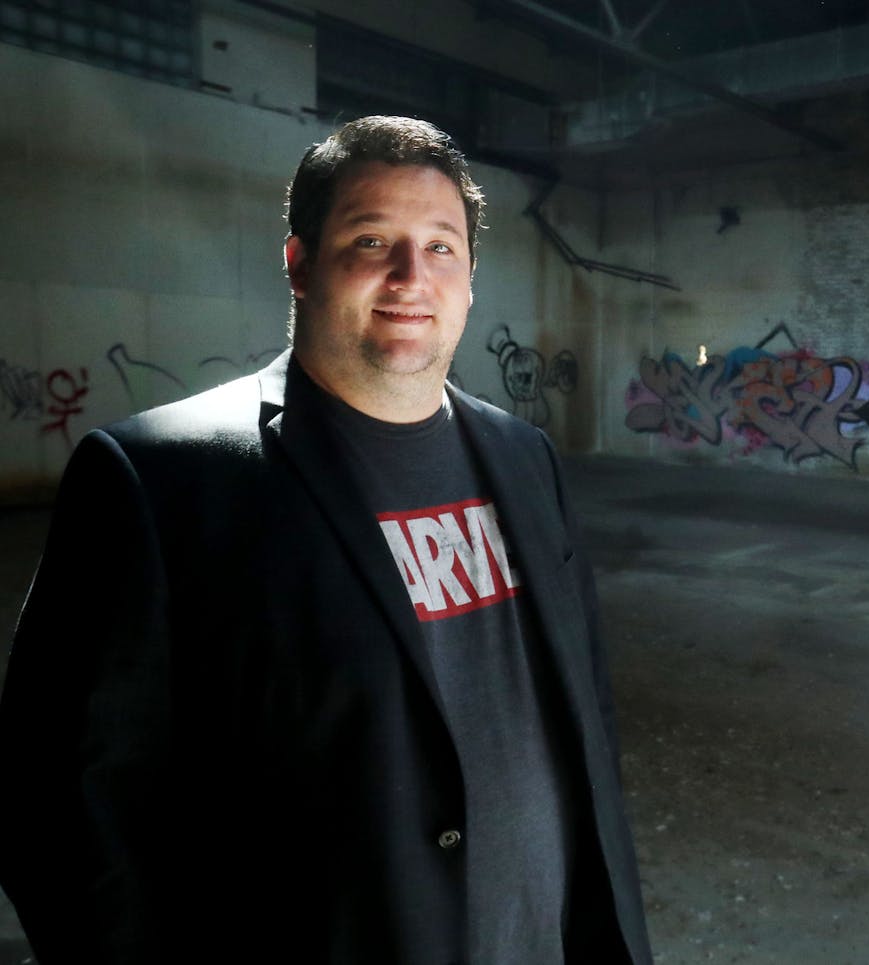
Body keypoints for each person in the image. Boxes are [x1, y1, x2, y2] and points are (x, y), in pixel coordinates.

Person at [0, 115, 652, 964]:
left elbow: (584, 724)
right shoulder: (157, 478)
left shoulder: (526, 459)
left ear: (470, 276)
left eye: (441, 246)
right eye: (371, 238)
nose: (410, 275)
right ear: (299, 264)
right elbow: (56, 805)